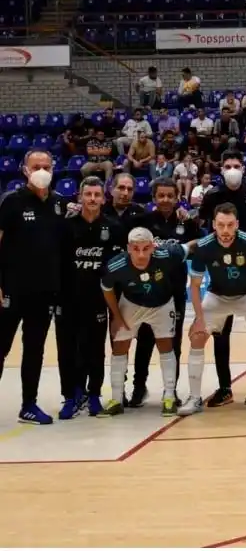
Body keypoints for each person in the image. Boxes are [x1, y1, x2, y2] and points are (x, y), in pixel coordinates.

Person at [181, 203, 246, 415]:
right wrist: (198, 318)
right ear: (213, 225)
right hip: (218, 296)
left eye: (230, 225)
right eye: (221, 225)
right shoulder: (204, 246)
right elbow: (196, 286)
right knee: (196, 336)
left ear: (237, 225)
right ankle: (195, 397)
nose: (225, 231)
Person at [0, 151, 69, 424]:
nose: (41, 170)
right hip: (11, 290)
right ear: (25, 170)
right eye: (36, 166)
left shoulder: (59, 204)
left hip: (43, 293)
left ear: (54, 169)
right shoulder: (12, 203)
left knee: (34, 349)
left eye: (46, 166)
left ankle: (29, 404)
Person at [199, 154, 246, 406]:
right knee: (221, 333)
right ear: (221, 169)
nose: (232, 170)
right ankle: (224, 388)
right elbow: (201, 222)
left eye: (236, 166)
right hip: (221, 269)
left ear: (244, 168)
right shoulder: (212, 195)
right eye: (228, 166)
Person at [99, 227, 195, 417]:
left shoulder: (168, 254)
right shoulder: (115, 266)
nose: (141, 254)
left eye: (145, 248)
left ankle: (169, 397)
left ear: (153, 247)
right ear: (128, 248)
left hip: (162, 304)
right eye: (135, 249)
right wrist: (117, 316)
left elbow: (191, 246)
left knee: (166, 346)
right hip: (131, 303)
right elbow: (106, 289)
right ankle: (117, 399)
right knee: (119, 347)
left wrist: (216, 240)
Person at [56, 177, 126, 419]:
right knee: (67, 349)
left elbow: (118, 268)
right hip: (67, 298)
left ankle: (93, 393)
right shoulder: (66, 226)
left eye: (97, 195)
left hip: (98, 299)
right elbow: (58, 264)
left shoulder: (113, 227)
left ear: (103, 198)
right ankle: (71, 396)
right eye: (88, 194)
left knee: (95, 348)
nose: (93, 199)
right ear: (80, 197)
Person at [128, 178, 200, 407]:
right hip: (146, 292)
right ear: (153, 198)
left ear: (178, 197)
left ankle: (172, 390)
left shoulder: (187, 222)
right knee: (145, 341)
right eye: (161, 195)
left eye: (170, 195)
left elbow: (200, 242)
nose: (166, 200)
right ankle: (139, 388)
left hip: (175, 292)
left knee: (173, 342)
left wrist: (183, 246)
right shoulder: (143, 222)